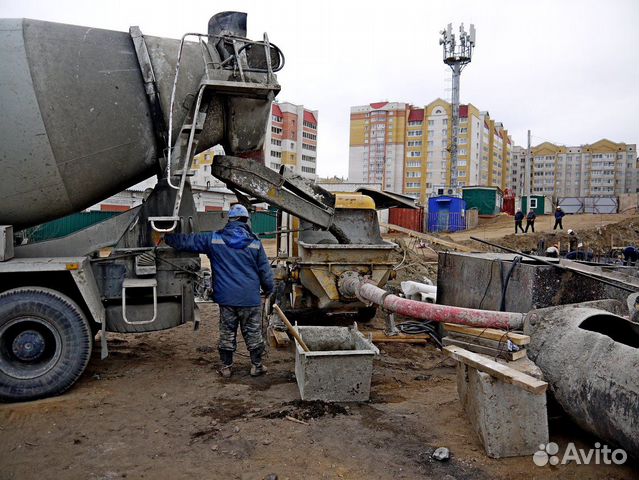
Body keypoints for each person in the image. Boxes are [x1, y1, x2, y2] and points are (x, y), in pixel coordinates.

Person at [165, 204, 274, 378]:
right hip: (250, 298)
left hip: (227, 298)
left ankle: (226, 367)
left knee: (227, 332)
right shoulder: (255, 243)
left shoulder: (215, 239)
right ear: (246, 220)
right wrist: (269, 290)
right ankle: (257, 366)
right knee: (253, 332)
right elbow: (265, 272)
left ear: (230, 220)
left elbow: (190, 241)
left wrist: (168, 238)